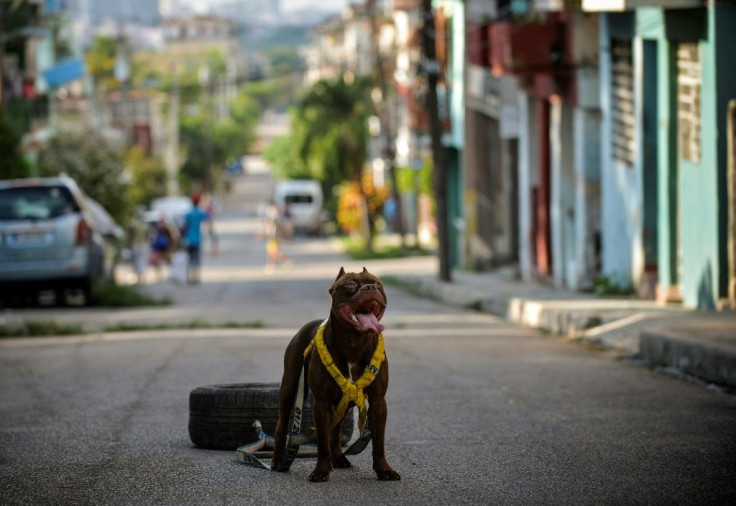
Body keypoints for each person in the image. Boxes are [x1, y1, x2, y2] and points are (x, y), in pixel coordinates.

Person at [182, 193, 212, 284]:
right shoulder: (200, 212)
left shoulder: (188, 213)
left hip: (188, 239)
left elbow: (184, 226)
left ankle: (190, 276)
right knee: (197, 259)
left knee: (189, 259)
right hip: (198, 239)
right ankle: (197, 276)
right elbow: (208, 221)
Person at [259, 200, 292, 272]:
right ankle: (270, 265)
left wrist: (286, 235)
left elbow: (277, 226)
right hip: (271, 236)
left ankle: (286, 261)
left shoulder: (274, 215)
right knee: (269, 252)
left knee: (273, 252)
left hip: (273, 236)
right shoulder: (272, 214)